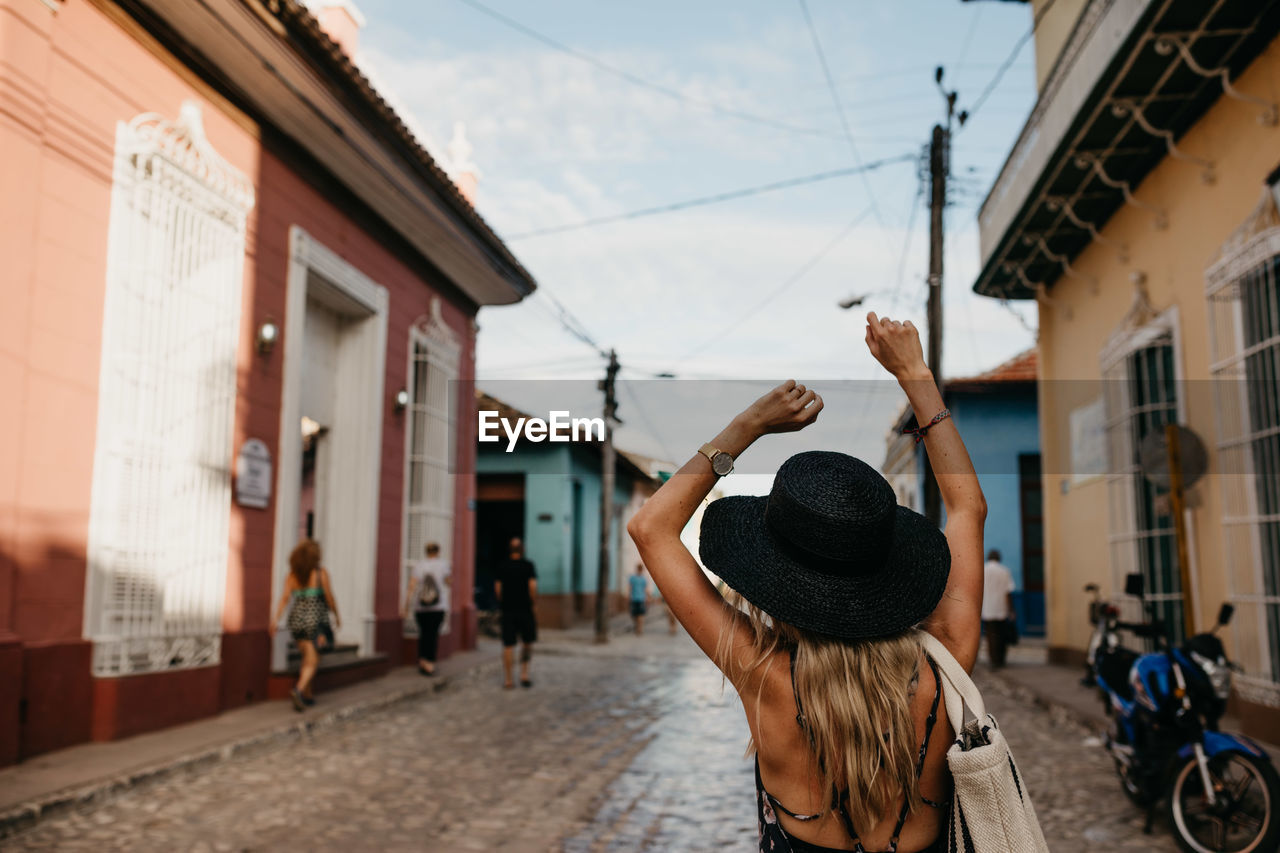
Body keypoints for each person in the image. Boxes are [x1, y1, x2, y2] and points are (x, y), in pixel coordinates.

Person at [628, 313, 985, 853]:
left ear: (776, 580)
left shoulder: (764, 676)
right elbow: (966, 507)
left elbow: (651, 527)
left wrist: (748, 425)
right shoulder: (945, 668)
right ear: (888, 571)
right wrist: (914, 373)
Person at [269, 539, 341, 712]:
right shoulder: (319, 573)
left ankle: (308, 696)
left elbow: (285, 598)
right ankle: (299, 690)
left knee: (306, 657)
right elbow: (329, 597)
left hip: (296, 620)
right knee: (314, 659)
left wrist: (275, 620)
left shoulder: (293, 575)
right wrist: (337, 615)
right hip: (315, 620)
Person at [495, 537, 537, 689]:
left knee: (508, 645)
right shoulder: (528, 565)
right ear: (522, 549)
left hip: (508, 610)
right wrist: (533, 602)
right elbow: (532, 586)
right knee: (527, 642)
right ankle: (524, 674)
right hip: (525, 609)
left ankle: (508, 679)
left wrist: (503, 601)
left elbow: (498, 588)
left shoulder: (502, 566)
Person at [403, 542, 451, 676]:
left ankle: (422, 661)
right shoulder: (443, 565)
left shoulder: (419, 565)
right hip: (438, 606)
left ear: (426, 551)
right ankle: (430, 663)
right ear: (438, 551)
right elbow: (448, 582)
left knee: (423, 634)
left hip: (421, 606)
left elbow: (412, 586)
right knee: (433, 635)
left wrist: (406, 606)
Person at [982, 548, 1016, 670]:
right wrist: (1011, 610)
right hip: (1001, 608)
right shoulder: (1005, 571)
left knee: (991, 636)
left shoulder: (983, 570)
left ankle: (993, 659)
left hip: (987, 608)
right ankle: (1001, 659)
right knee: (1001, 635)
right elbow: (1008, 592)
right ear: (999, 558)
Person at [628, 565, 650, 636]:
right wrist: (628, 596)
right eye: (639, 569)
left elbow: (645, 589)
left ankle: (639, 629)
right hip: (634, 598)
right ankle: (637, 626)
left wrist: (647, 597)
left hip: (641, 599)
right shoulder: (632, 578)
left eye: (640, 569)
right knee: (634, 615)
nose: (639, 570)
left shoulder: (643, 579)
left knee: (640, 615)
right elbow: (630, 587)